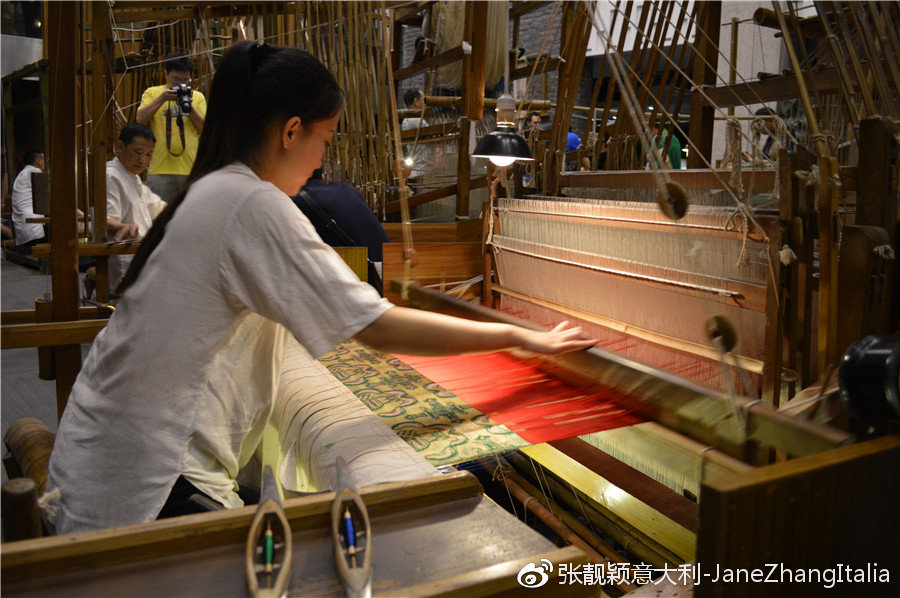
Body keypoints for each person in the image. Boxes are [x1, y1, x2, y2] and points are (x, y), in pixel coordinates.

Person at [46, 41, 595, 534]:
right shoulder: (252, 203)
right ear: (291, 131)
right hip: (146, 490)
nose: (323, 158)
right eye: (325, 138)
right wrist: (522, 339)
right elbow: (378, 327)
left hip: (100, 461)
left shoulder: (211, 190)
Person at [292, 169, 390, 295]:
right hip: (385, 273)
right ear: (322, 176)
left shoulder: (297, 202)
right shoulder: (347, 189)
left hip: (359, 282)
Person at [136, 51, 207, 202]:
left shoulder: (197, 97)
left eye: (185, 80)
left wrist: (189, 107)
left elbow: (206, 130)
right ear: (166, 74)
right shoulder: (153, 93)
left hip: (190, 170)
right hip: (160, 169)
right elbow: (140, 118)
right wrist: (162, 98)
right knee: (160, 219)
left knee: (189, 220)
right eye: (176, 79)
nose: (180, 84)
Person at [105, 123, 168, 291]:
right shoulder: (111, 176)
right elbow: (104, 220)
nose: (143, 161)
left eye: (149, 155)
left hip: (141, 258)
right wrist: (123, 227)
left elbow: (158, 206)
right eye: (138, 153)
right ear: (119, 146)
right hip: (126, 262)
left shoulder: (133, 177)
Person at [10, 150, 46, 250]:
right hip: (32, 224)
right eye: (43, 160)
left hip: (22, 224)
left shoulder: (23, 173)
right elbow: (49, 196)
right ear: (38, 161)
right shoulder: (35, 172)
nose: (44, 164)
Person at [401, 88, 428, 192]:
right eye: (423, 100)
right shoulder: (415, 120)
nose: (425, 104)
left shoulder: (407, 120)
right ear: (416, 101)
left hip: (417, 169)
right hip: (421, 170)